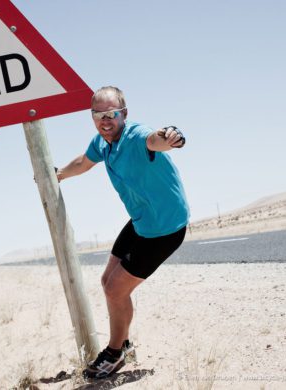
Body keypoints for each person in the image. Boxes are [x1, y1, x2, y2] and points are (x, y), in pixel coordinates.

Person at [56, 86, 189, 379]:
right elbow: (83, 162)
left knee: (116, 288)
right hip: (141, 220)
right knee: (108, 282)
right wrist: (59, 175)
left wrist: (171, 136)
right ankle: (124, 344)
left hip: (165, 228)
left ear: (124, 114)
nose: (105, 120)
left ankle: (115, 353)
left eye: (111, 114)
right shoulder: (102, 144)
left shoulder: (137, 136)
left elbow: (157, 140)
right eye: (98, 115)